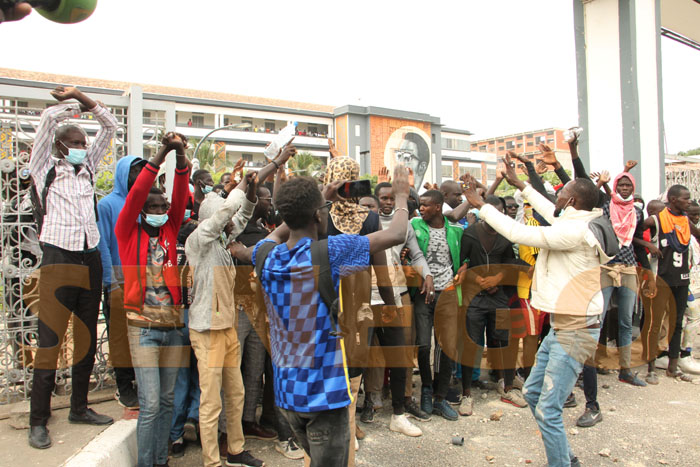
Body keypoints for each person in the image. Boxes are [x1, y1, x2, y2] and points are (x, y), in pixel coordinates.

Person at [243, 165, 412, 466]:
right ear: (319, 215)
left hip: (288, 395)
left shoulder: (265, 255)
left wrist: (317, 200)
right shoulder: (330, 252)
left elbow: (277, 233)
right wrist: (401, 195)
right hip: (324, 396)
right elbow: (397, 233)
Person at [462, 153, 618, 467]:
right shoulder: (579, 217)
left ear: (571, 199)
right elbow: (551, 208)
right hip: (564, 326)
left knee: (548, 409)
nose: (554, 195)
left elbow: (520, 234)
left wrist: (482, 207)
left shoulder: (575, 232)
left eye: (560, 192)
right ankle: (564, 457)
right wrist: (520, 184)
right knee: (533, 394)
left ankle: (562, 463)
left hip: (575, 328)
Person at [28, 86, 117, 450]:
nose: (83, 144)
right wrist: (69, 105)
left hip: (89, 257)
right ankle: (38, 421)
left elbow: (110, 128)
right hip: (59, 260)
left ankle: (79, 407)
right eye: (76, 141)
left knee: (85, 336)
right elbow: (48, 121)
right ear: (62, 146)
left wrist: (86, 98)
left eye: (84, 140)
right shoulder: (45, 168)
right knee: (50, 342)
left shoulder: (89, 168)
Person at [116, 132, 190, 467]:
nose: (160, 210)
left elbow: (180, 191)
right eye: (153, 207)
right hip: (143, 327)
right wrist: (162, 152)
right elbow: (136, 194)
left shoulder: (171, 230)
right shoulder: (127, 231)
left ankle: (161, 460)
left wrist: (182, 155)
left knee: (167, 400)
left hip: (173, 327)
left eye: (164, 207)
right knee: (149, 404)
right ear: (142, 210)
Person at [186, 171, 264, 467]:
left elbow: (241, 216)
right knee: (211, 401)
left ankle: (235, 450)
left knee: (236, 393)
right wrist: (239, 188)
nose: (233, 227)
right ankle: (211, 461)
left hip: (227, 328)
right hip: (206, 331)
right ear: (212, 218)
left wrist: (252, 190)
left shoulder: (220, 240)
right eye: (223, 219)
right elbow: (226, 215)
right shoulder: (199, 240)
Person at [233, 184, 303, 460]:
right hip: (240, 308)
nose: (268, 202)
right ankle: (233, 429)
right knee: (236, 370)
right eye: (264, 198)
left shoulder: (266, 233)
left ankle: (254, 420)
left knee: (258, 370)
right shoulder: (236, 231)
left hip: (269, 311)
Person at [577, 168, 650, 430]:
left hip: (629, 269)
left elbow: (637, 240)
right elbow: (592, 195)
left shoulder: (637, 212)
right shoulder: (606, 207)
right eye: (622, 185)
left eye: (629, 186)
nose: (626, 189)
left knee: (626, 321)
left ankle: (626, 370)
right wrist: (602, 183)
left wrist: (647, 262)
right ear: (616, 186)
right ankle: (592, 369)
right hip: (606, 268)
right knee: (598, 318)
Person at [457, 195, 525, 416]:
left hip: (499, 297)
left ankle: (506, 387)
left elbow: (509, 263)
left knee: (503, 341)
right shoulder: (470, 233)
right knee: (471, 344)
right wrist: (478, 280)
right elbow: (461, 264)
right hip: (474, 298)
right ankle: (466, 393)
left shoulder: (507, 235)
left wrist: (498, 278)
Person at [97, 155, 147, 410]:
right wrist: (110, 282)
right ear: (122, 174)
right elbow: (103, 243)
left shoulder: (145, 204)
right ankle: (124, 387)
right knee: (120, 337)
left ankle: (140, 382)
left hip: (144, 281)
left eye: (142, 171)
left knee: (142, 335)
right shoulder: (107, 205)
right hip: (119, 281)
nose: (139, 176)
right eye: (134, 171)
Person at [411, 189, 461, 421]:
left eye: (426, 205)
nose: (421, 208)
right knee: (423, 344)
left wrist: (466, 266)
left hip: (448, 292)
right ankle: (427, 390)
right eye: (420, 204)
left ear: (438, 207)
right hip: (423, 293)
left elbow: (465, 256)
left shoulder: (456, 231)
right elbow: (411, 254)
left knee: (445, 347)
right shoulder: (415, 225)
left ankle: (441, 397)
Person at [642, 184, 693, 383]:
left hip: (681, 279)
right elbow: (634, 233)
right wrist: (647, 244)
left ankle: (673, 366)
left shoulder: (686, 220)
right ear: (673, 200)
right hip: (661, 279)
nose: (688, 201)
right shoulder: (656, 219)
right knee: (654, 323)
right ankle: (651, 368)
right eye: (685, 198)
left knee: (677, 322)